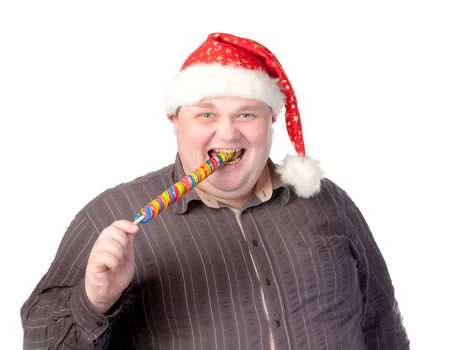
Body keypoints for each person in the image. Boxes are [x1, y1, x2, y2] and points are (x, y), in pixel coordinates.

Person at [21, 33, 409, 349]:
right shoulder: (108, 218)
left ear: (271, 121)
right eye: (206, 114)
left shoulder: (327, 203)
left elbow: (381, 321)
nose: (227, 133)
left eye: (246, 114)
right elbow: (41, 341)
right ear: (175, 120)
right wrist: (93, 301)